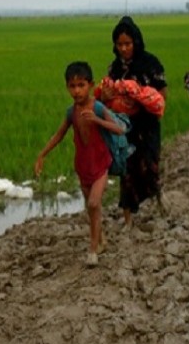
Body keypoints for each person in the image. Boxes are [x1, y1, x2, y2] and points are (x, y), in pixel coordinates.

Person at [34, 62, 126, 266]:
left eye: (81, 85)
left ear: (91, 85)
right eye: (72, 86)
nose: (77, 90)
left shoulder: (97, 107)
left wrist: (97, 120)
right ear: (67, 87)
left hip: (101, 164)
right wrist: (42, 155)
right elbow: (59, 135)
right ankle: (101, 240)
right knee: (91, 207)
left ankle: (92, 251)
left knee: (94, 203)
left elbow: (119, 129)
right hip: (83, 166)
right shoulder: (71, 112)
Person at [102, 16, 167, 228]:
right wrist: (108, 95)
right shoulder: (114, 69)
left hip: (147, 125)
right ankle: (128, 219)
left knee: (150, 166)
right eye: (119, 44)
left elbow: (162, 93)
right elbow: (105, 98)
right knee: (127, 170)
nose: (123, 48)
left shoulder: (150, 64)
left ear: (136, 42)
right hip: (124, 128)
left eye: (127, 44)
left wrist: (143, 98)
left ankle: (158, 197)